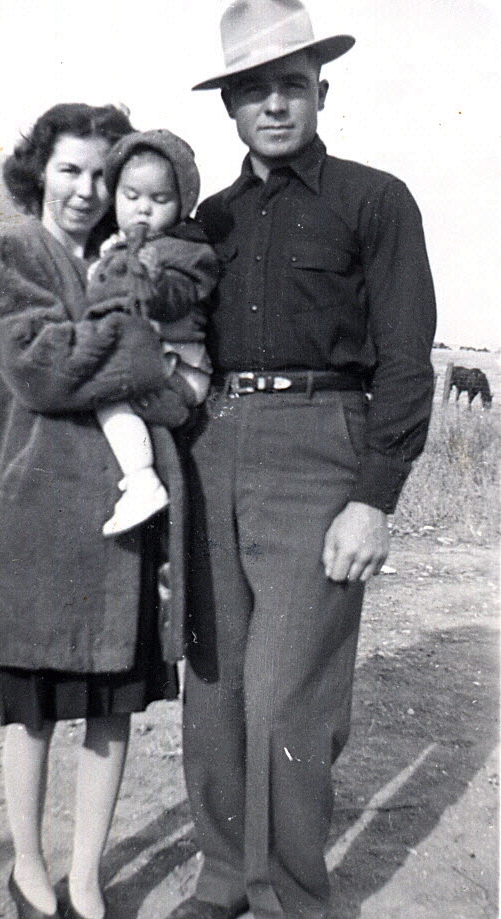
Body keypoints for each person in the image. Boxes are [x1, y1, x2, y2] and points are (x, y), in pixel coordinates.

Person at [171, 2, 437, 918]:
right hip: (212, 446)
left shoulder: (374, 199)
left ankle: (288, 892)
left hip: (322, 447)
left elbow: (406, 357)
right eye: (254, 92)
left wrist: (375, 497)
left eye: (291, 86)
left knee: (289, 694)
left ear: (320, 90)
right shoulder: (207, 220)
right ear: (231, 110)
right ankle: (220, 874)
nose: (274, 106)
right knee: (211, 683)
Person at [0, 103, 192, 919]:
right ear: (36, 171)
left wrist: (141, 365)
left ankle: (84, 879)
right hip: (33, 530)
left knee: (111, 712)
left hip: (120, 530)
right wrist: (142, 354)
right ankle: (27, 869)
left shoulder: (125, 262)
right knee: (35, 714)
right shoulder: (3, 253)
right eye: (70, 170)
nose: (87, 191)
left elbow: (172, 398)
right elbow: (45, 369)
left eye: (102, 175)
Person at [85, 129, 218, 537]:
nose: (144, 210)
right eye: (132, 197)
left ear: (181, 205)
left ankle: (142, 482)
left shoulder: (186, 250)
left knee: (109, 400)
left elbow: (179, 297)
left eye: (160, 201)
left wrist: (155, 280)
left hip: (180, 370)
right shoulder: (112, 250)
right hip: (148, 363)